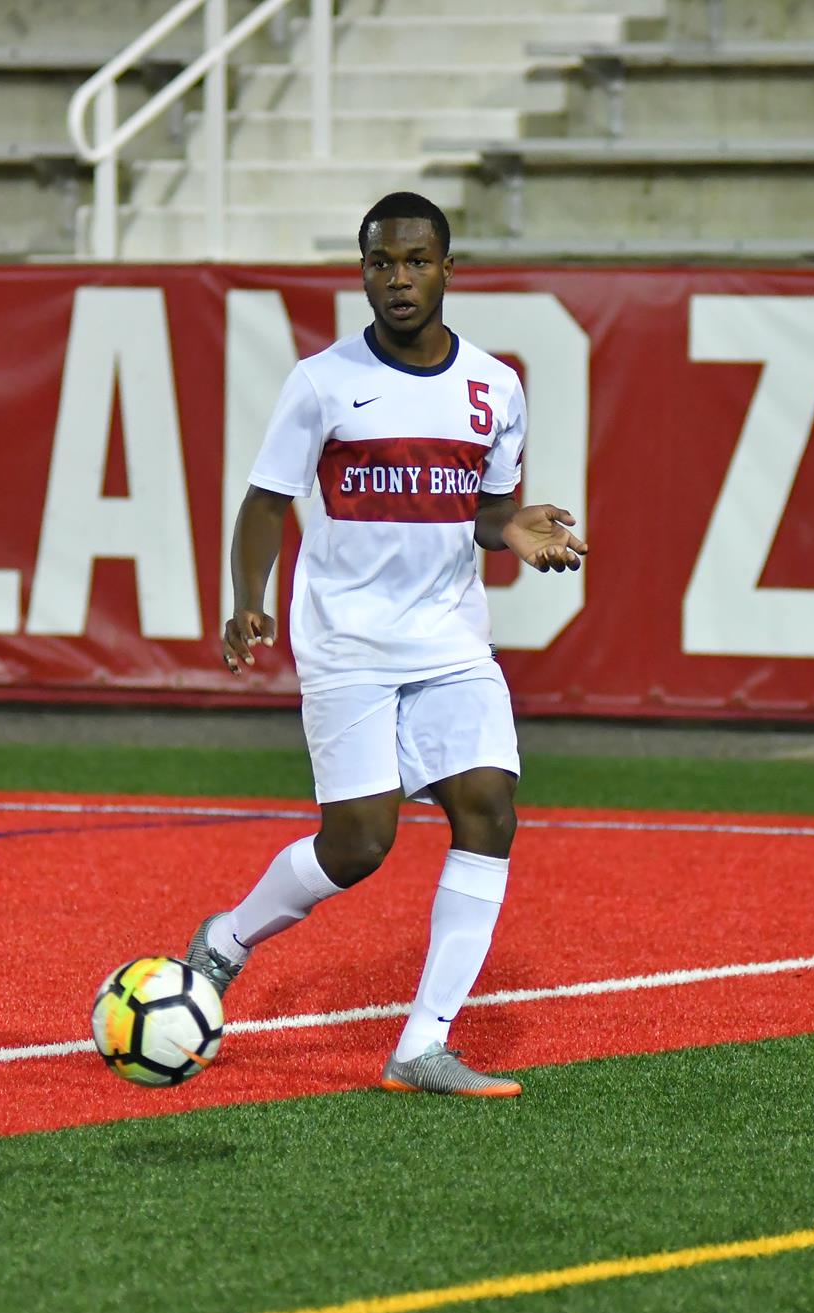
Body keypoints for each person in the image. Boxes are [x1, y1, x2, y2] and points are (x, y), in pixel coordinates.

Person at [183, 191, 586, 1097]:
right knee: (360, 845)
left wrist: (512, 529)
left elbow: (480, 510)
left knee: (489, 807)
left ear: (449, 268)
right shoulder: (322, 381)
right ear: (362, 272)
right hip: (349, 641)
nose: (398, 279)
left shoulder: (495, 387)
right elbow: (265, 501)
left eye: (415, 261)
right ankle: (228, 939)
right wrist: (249, 598)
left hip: (449, 637)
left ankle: (422, 1044)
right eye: (380, 263)